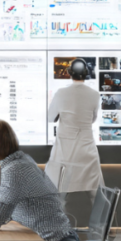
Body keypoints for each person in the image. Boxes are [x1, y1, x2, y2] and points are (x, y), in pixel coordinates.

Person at [44, 58, 104, 193]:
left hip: (65, 150)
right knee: (94, 193)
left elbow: (50, 118)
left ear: (70, 73)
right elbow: (92, 119)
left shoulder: (61, 93)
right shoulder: (94, 94)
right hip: (87, 150)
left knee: (60, 191)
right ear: (86, 73)